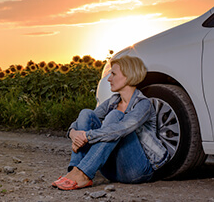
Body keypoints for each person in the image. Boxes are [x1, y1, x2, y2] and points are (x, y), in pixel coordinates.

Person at [52, 55, 169, 190]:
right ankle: (75, 170)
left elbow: (122, 129)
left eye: (113, 74)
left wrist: (87, 136)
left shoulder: (144, 104)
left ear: (128, 75)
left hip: (136, 171)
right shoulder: (113, 101)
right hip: (111, 170)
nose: (109, 79)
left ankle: (83, 173)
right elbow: (83, 121)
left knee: (115, 116)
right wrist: (73, 134)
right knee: (86, 113)